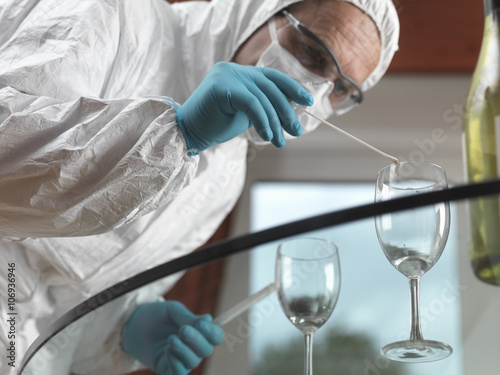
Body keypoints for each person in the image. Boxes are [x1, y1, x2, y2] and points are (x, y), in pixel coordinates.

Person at [0, 0, 399, 374]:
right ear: (264, 9)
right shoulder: (112, 18)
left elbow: (61, 308)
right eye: (310, 52)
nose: (313, 94)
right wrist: (178, 133)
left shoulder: (225, 180)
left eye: (341, 89)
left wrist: (119, 325)